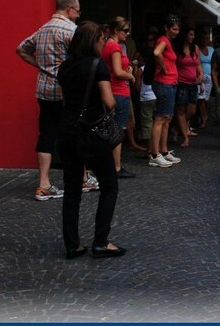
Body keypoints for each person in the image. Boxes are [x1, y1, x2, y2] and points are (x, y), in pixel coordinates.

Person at [56, 21, 125, 259]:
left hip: (67, 131)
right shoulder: (98, 66)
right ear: (93, 42)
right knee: (109, 186)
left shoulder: (64, 67)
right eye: (101, 40)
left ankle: (72, 245)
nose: (103, 43)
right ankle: (101, 241)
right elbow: (109, 101)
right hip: (92, 133)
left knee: (72, 189)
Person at [16, 0, 81, 200]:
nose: (78, 16)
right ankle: (82, 178)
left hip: (44, 89)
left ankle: (43, 184)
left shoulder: (42, 29)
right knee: (74, 133)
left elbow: (21, 49)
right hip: (66, 90)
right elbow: (81, 59)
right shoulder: (72, 31)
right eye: (78, 11)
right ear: (70, 9)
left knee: (46, 134)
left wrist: (41, 66)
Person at [101, 16, 136, 179]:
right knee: (117, 130)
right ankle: (116, 166)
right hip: (118, 91)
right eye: (125, 31)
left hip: (112, 90)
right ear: (116, 30)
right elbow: (117, 71)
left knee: (111, 129)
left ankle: (109, 165)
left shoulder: (107, 44)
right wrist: (130, 77)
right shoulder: (114, 47)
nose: (127, 34)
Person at [149, 15, 182, 168]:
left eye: (177, 29)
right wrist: (163, 68)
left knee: (166, 118)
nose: (177, 32)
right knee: (161, 118)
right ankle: (155, 154)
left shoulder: (167, 41)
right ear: (167, 28)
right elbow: (156, 53)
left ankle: (163, 150)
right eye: (174, 29)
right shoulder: (163, 40)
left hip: (169, 83)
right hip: (164, 83)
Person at [173, 25, 203, 147]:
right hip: (181, 83)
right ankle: (185, 137)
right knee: (181, 110)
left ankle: (175, 127)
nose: (192, 37)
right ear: (185, 35)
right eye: (190, 34)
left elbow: (198, 64)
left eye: (193, 35)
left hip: (193, 83)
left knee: (191, 111)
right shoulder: (178, 49)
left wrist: (200, 75)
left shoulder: (195, 48)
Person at [197, 29, 214, 129]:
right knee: (201, 99)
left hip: (210, 76)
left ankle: (203, 115)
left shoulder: (211, 50)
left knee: (206, 99)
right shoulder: (197, 49)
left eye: (206, 39)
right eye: (202, 39)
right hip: (201, 76)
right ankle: (204, 118)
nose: (204, 40)